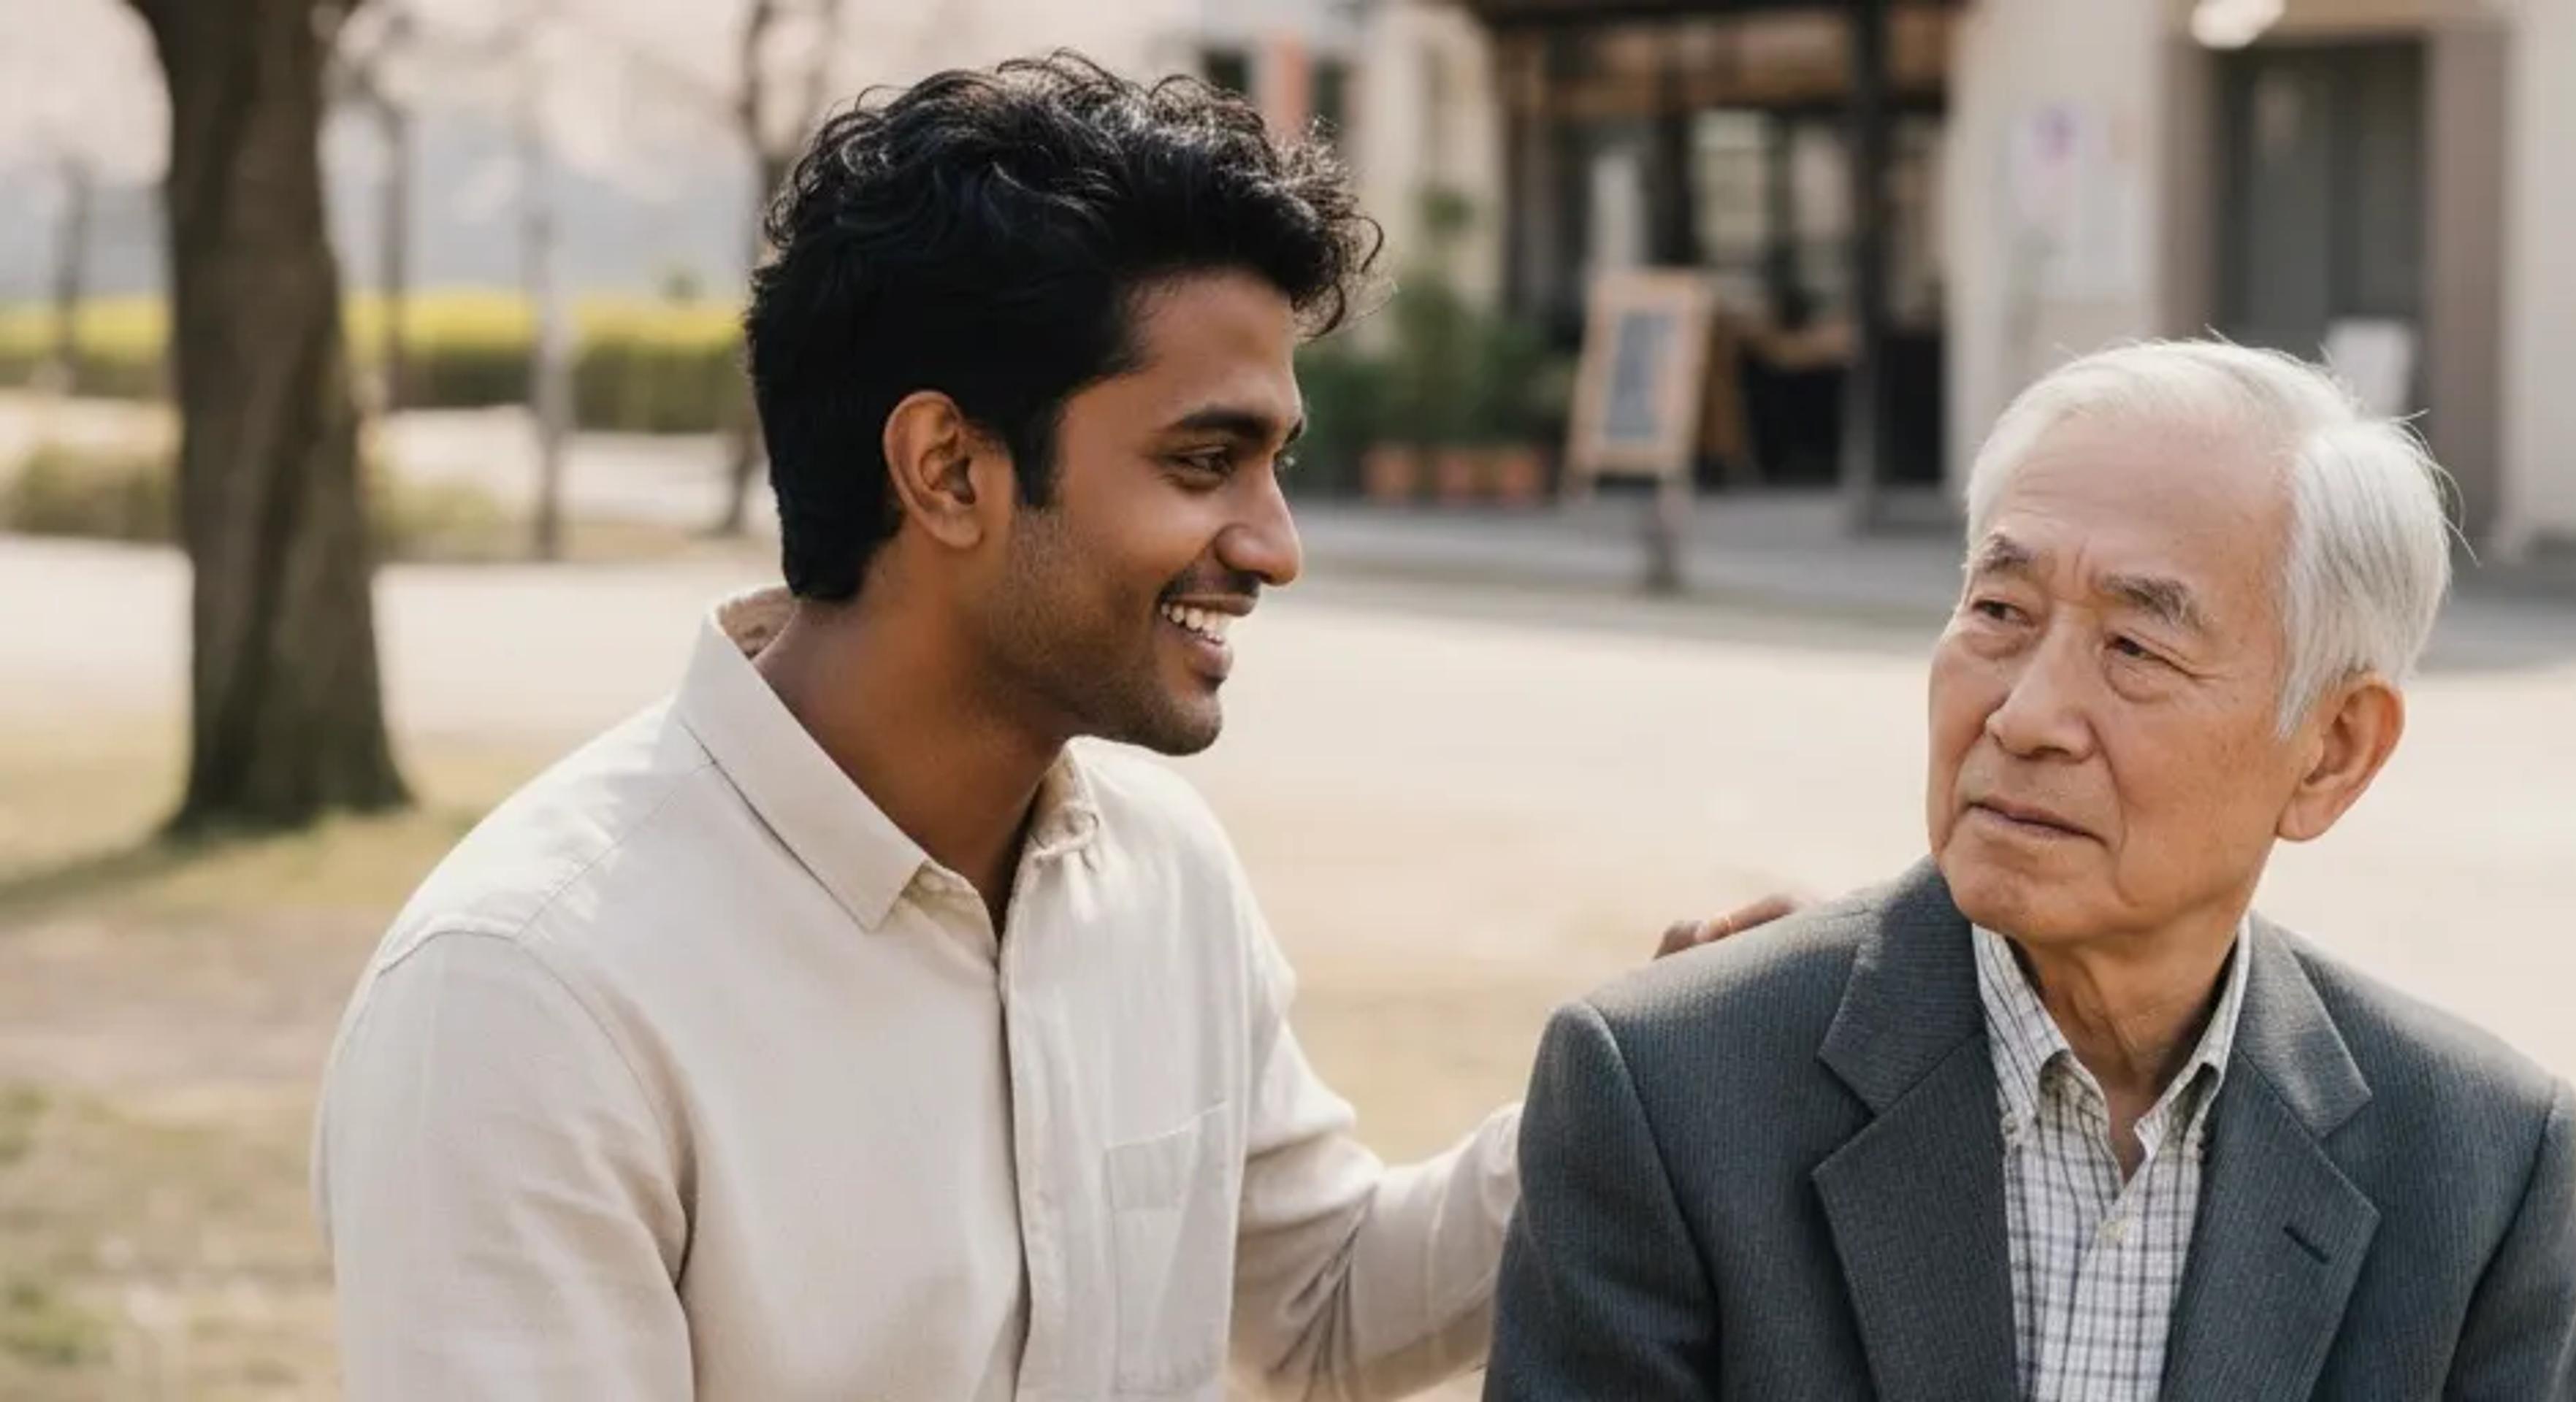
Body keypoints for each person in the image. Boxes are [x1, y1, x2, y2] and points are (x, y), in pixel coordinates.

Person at [312, 54, 1781, 1402]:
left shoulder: (1159, 877)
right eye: (1205, 460)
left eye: (1275, 466)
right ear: (948, 469)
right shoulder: (529, 1000)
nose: (1273, 546)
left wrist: (1632, 1095)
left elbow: (1321, 1306)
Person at [1486, 341, 2576, 1401]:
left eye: (2136, 648)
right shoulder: (1671, 1093)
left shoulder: (2475, 1162)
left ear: (2333, 751)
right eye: (2001, 612)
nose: (2025, 717)